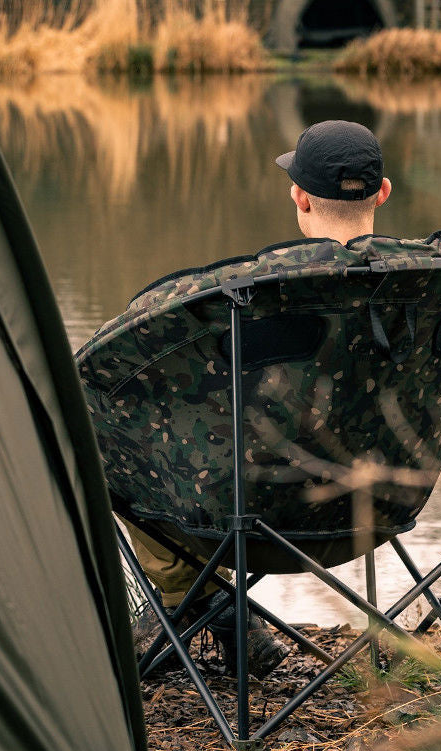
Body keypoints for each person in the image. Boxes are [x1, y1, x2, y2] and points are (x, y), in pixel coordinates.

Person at [130, 119, 391, 677]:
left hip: (254, 519)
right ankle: (212, 610)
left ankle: (205, 604)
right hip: (378, 508)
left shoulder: (249, 295)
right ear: (384, 192)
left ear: (299, 197)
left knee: (121, 449)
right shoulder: (431, 288)